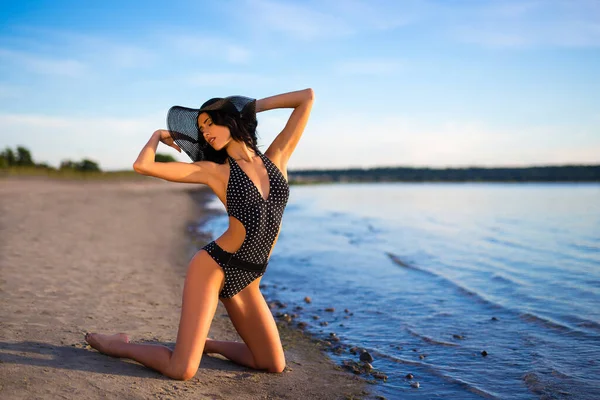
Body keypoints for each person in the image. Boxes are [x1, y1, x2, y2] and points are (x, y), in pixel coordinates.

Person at [84, 88, 315, 381]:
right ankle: (117, 345)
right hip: (214, 267)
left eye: (210, 123)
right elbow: (142, 166)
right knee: (181, 370)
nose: (205, 132)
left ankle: (206, 345)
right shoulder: (214, 172)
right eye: (201, 127)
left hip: (250, 279)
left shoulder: (277, 157)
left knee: (271, 363)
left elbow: (306, 98)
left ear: (229, 120)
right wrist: (156, 136)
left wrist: (248, 108)